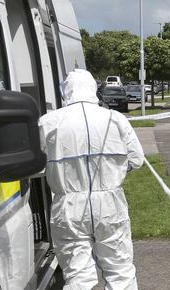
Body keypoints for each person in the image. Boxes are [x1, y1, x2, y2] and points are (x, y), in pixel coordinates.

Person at [38, 69, 144, 289]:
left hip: (68, 204)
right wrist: (112, 170)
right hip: (110, 202)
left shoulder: (48, 122)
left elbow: (35, 167)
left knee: (78, 275)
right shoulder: (115, 119)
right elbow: (137, 159)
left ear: (66, 91)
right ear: (93, 89)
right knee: (120, 270)